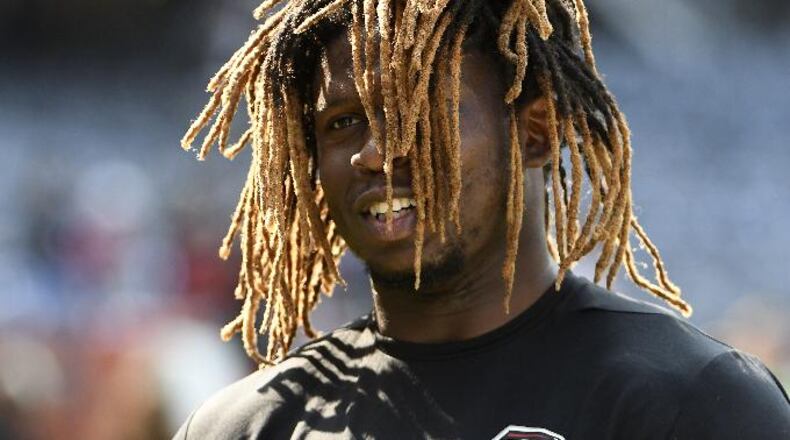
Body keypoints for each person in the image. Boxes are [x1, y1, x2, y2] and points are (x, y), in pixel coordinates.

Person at [174, 0, 790, 438]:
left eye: (417, 113)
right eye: (343, 122)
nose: (372, 153)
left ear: (536, 132)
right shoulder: (244, 427)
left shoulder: (693, 403)